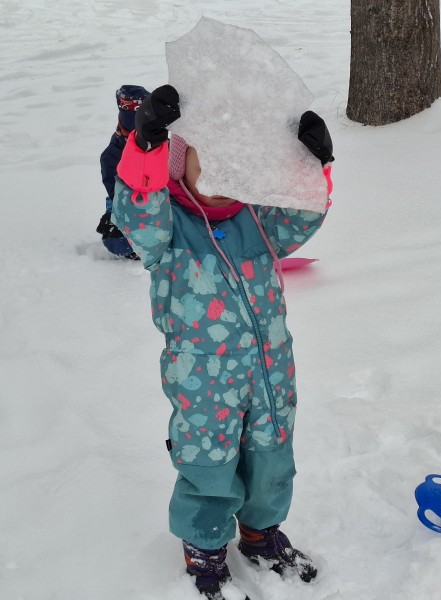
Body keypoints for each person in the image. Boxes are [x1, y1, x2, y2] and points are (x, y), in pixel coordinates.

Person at [111, 85, 334, 599]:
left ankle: (261, 533)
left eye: (235, 166)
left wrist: (312, 165)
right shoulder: (166, 230)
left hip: (271, 375)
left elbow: (304, 213)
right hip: (203, 384)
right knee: (207, 462)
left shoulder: (260, 221)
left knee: (271, 459)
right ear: (179, 164)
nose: (221, 177)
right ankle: (205, 545)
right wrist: (145, 147)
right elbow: (136, 210)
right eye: (207, 163)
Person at [96, 84, 150, 259]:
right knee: (118, 241)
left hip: (162, 202)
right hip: (130, 206)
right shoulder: (112, 156)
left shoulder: (159, 145)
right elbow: (117, 196)